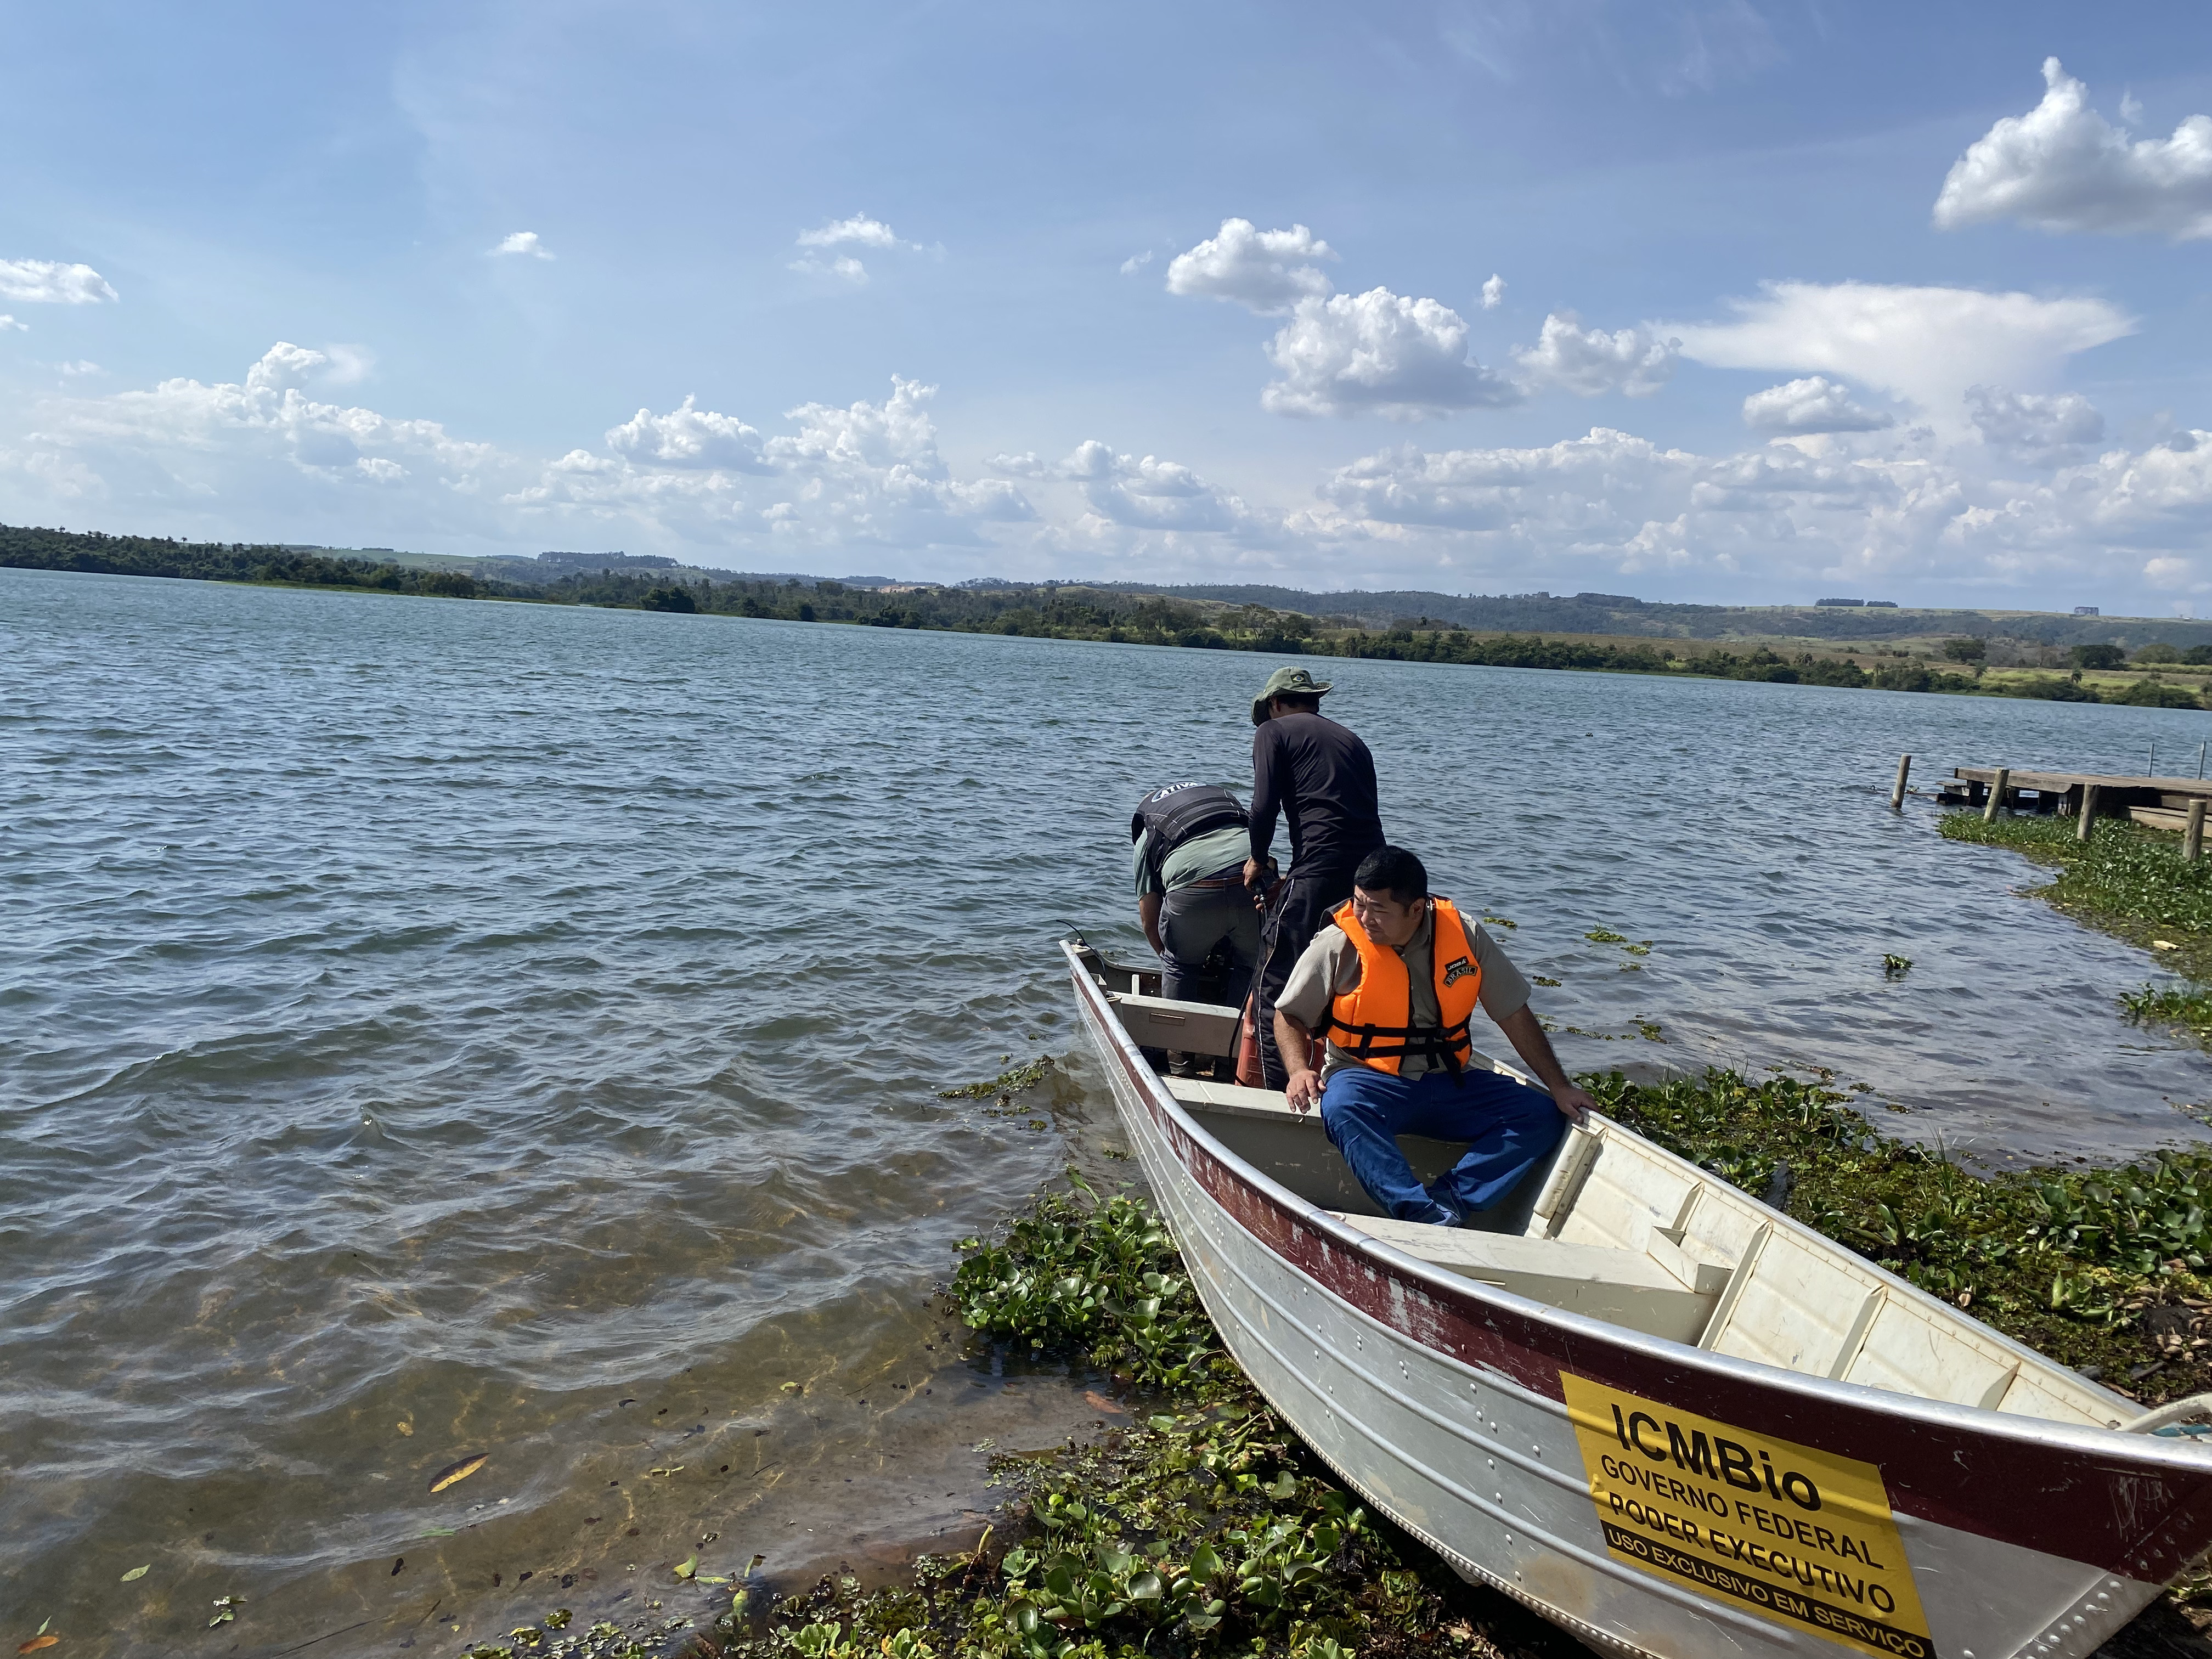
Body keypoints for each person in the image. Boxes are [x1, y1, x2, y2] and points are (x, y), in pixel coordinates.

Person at [1273, 845, 1596, 1226]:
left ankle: (1452, 1197)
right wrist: (1298, 1070)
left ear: (1416, 909)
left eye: (1378, 909)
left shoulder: (1465, 935)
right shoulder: (1338, 943)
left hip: (1450, 1082)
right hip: (1368, 1080)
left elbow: (1513, 1013)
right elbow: (1289, 1014)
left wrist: (1559, 1086)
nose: (1364, 918)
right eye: (1359, 903)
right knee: (1342, 1107)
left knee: (1540, 1115)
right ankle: (1421, 1213)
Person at [1240, 665, 1386, 1087]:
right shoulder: (1352, 740)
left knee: (1275, 982)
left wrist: (1257, 858)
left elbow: (1262, 807)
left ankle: (1274, 1092)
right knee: (1347, 976)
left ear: (1274, 704)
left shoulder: (1273, 731)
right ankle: (1349, 1081)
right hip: (1371, 875)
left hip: (1319, 865)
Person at [1130, 782, 1263, 1015]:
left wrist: (1171, 956)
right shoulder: (1222, 801)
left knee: (1180, 964)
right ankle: (1234, 1041)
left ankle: (1178, 1048)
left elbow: (1149, 922)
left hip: (1195, 890)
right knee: (1250, 964)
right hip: (1253, 877)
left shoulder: (1148, 833)